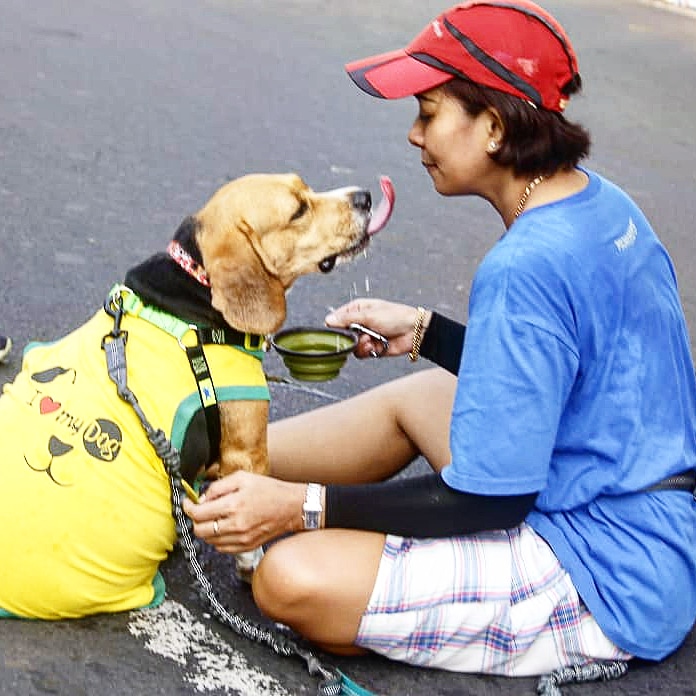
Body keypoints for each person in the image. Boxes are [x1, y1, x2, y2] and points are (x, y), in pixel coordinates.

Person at [184, 0, 696, 683]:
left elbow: (492, 501)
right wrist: (428, 332)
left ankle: (254, 497)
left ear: (491, 124)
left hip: (604, 577)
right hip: (648, 509)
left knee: (290, 577)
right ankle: (203, 463)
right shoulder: (599, 203)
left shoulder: (525, 267)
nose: (414, 134)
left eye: (428, 112)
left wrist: (304, 508)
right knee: (427, 393)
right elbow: (576, 374)